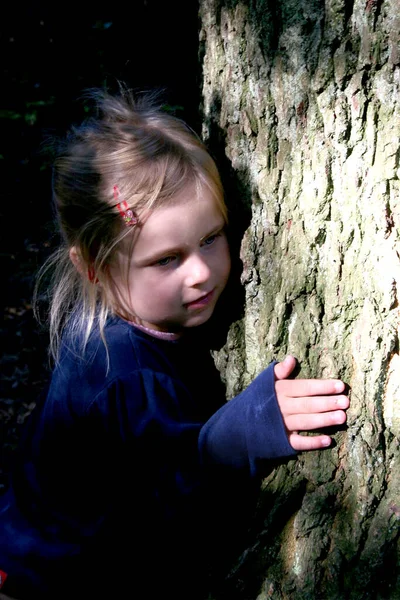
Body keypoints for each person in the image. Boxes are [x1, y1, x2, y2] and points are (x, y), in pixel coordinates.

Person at [0, 89, 349, 600]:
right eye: (167, 259)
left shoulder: (122, 314)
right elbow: (169, 504)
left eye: (211, 237)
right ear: (94, 267)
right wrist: (241, 433)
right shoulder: (129, 373)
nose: (202, 272)